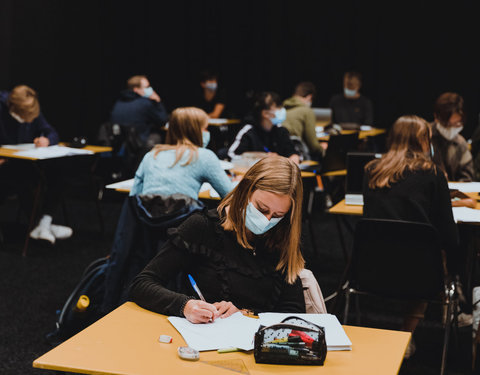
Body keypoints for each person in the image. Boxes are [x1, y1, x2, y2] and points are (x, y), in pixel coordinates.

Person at [129, 156, 306, 322]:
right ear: (245, 192)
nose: (267, 220)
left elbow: (294, 311)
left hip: (257, 345)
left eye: (278, 215)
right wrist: (185, 305)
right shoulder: (203, 228)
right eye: (261, 208)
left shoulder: (281, 237)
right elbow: (142, 284)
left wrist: (245, 315)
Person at [363, 115, 460, 357]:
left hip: (370, 269)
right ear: (423, 141)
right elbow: (449, 234)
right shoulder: (433, 174)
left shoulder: (371, 171)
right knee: (428, 253)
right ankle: (406, 336)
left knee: (415, 250)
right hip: (420, 275)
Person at [0, 85, 72, 244]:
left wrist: (47, 140)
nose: (28, 121)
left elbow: (50, 131)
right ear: (13, 109)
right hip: (6, 164)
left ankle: (44, 222)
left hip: (24, 161)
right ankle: (39, 225)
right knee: (22, 177)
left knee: (59, 172)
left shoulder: (31, 107)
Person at [130, 107, 233, 199]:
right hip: (185, 219)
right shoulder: (204, 156)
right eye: (205, 128)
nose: (207, 132)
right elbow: (230, 196)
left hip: (147, 218)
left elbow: (134, 196)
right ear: (195, 131)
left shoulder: (152, 155)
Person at [228, 92, 300, 164]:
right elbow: (232, 155)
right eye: (278, 108)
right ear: (265, 113)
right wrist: (262, 157)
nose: (282, 110)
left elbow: (292, 152)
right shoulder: (248, 131)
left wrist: (294, 156)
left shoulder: (281, 130)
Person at [110, 75, 168, 147]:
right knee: (158, 136)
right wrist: (158, 102)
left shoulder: (118, 103)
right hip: (139, 144)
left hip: (120, 145)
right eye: (147, 87)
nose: (150, 89)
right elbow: (163, 121)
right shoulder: (145, 103)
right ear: (136, 89)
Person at [431, 92, 473, 182]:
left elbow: (467, 177)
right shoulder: (423, 136)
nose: (451, 129)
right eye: (447, 124)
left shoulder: (460, 143)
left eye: (456, 124)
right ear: (436, 117)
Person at [282, 82, 326, 159]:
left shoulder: (281, 108)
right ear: (309, 97)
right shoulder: (307, 111)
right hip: (296, 154)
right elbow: (313, 145)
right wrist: (323, 150)